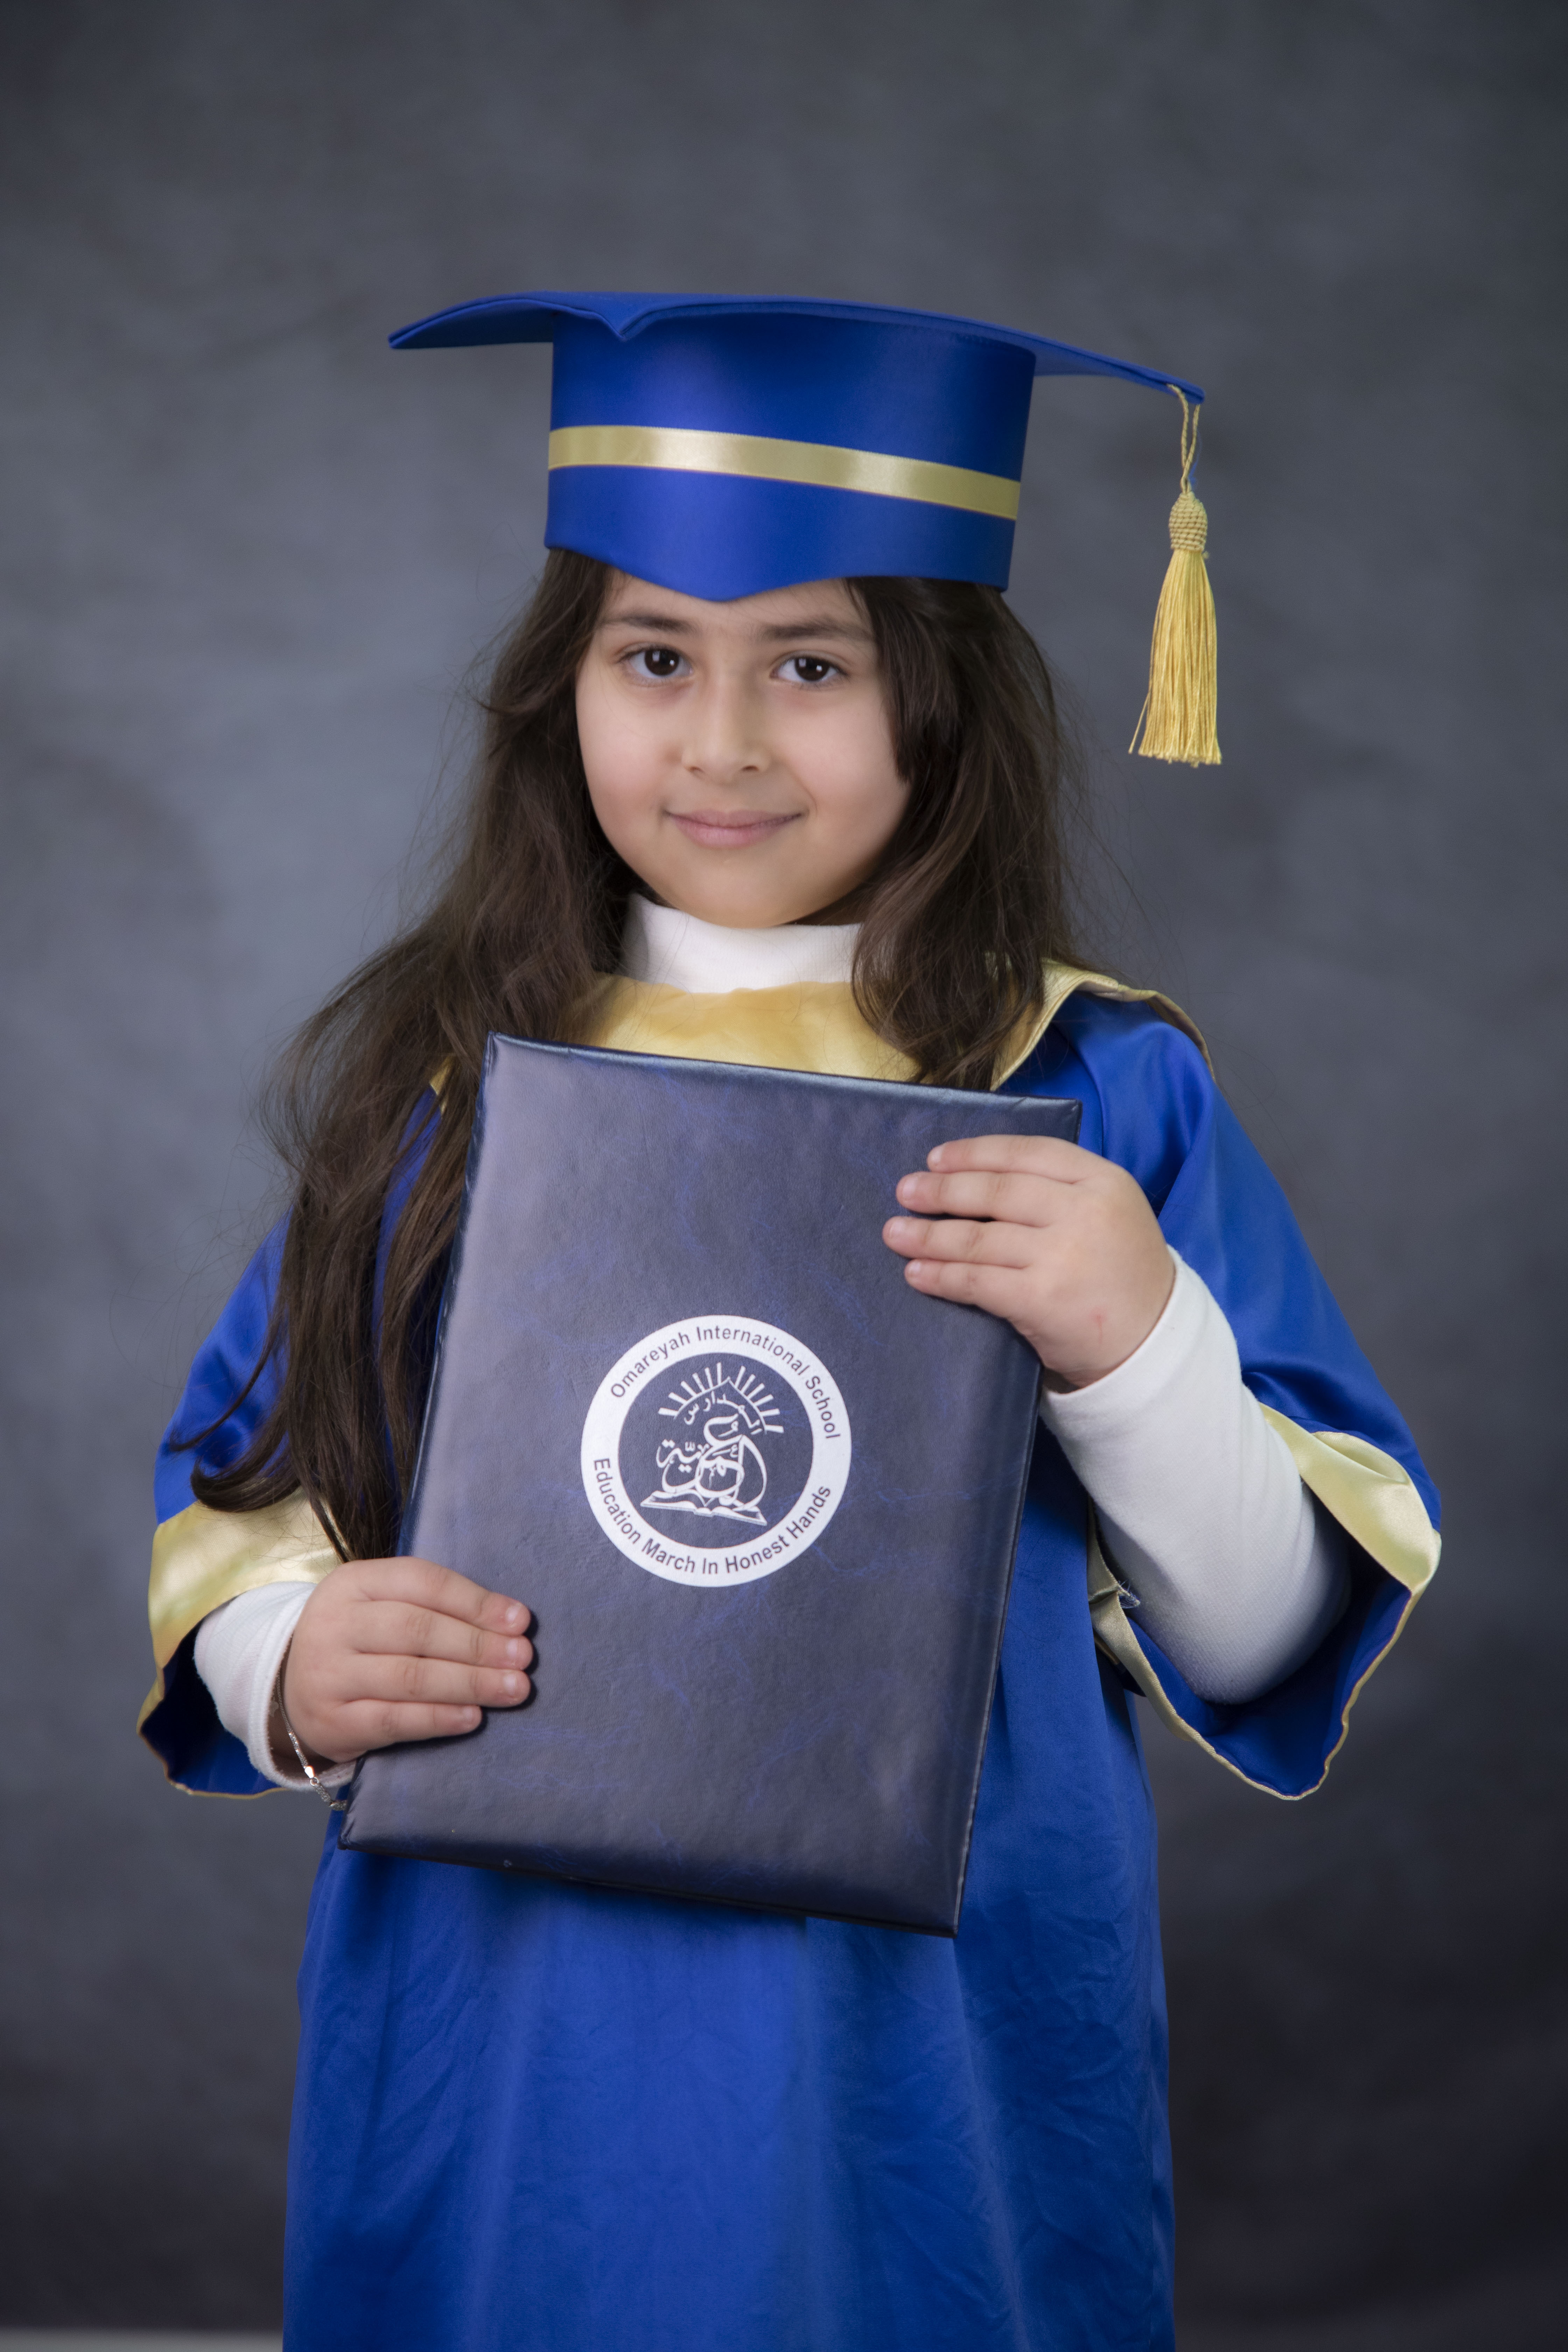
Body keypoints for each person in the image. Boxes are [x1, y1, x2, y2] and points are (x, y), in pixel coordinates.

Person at [139, 295, 1439, 2352]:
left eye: (813, 666)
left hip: (931, 2036)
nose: (724, 743)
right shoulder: (444, 1087)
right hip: (507, 2011)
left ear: (944, 705)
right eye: (653, 657)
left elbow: (1264, 1636)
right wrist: (291, 1660)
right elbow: (249, 1506)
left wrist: (1140, 1340)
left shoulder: (1090, 1089)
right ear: (560, 689)